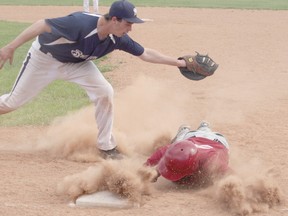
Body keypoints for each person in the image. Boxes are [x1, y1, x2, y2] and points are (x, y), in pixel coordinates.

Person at [0, 0, 188, 160]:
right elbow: (43, 24)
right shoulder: (80, 24)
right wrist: (10, 47)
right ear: (114, 20)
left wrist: (180, 63)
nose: (130, 28)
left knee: (105, 91)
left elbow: (145, 53)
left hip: (76, 64)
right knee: (10, 104)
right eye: (128, 23)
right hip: (44, 60)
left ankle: (106, 146)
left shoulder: (118, 38)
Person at [145, 121, 231, 186]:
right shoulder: (176, 149)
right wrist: (152, 171)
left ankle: (202, 127)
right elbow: (161, 153)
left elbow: (231, 176)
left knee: (206, 180)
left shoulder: (212, 162)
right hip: (192, 137)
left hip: (217, 140)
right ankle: (190, 129)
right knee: (179, 142)